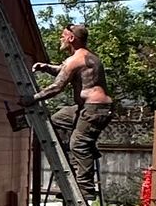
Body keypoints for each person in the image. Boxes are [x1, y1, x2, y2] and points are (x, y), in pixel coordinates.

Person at [39, 24, 114, 194]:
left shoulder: (75, 59)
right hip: (87, 107)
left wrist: (32, 98)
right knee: (58, 119)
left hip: (94, 108)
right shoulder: (84, 56)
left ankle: (85, 189)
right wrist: (46, 67)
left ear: (71, 38)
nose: (61, 38)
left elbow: (56, 87)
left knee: (78, 144)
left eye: (63, 35)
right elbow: (62, 70)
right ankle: (83, 154)